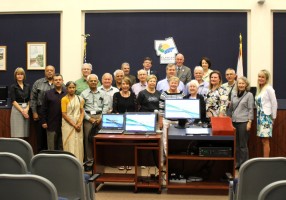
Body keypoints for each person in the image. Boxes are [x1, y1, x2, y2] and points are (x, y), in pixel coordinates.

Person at [80, 74, 109, 169]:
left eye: (95, 81)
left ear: (97, 82)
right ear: (88, 82)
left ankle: (101, 161)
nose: (93, 82)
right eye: (91, 81)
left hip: (100, 117)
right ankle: (89, 163)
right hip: (88, 118)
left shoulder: (103, 93)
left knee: (102, 139)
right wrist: (89, 118)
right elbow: (81, 109)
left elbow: (106, 106)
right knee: (88, 141)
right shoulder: (83, 94)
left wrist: (101, 118)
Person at [112, 76, 138, 170]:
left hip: (131, 123)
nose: (125, 86)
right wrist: (121, 118)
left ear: (129, 85)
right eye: (123, 84)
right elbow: (115, 109)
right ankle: (121, 162)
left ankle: (129, 162)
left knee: (130, 143)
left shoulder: (133, 95)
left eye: (127, 84)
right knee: (120, 144)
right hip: (119, 122)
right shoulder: (116, 95)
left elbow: (136, 109)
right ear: (121, 85)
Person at [228, 77, 254, 168]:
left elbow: (251, 109)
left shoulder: (249, 95)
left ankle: (244, 165)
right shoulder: (234, 94)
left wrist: (249, 122)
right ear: (237, 84)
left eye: (243, 83)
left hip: (244, 122)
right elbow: (230, 108)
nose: (241, 85)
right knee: (236, 145)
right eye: (239, 83)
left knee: (243, 145)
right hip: (234, 122)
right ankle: (237, 163)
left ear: (246, 85)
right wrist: (228, 120)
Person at [159, 76, 185, 163]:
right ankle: (168, 159)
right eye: (172, 83)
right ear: (169, 83)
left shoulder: (182, 94)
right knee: (165, 142)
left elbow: (184, 108)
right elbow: (161, 109)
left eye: (175, 83)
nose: (173, 84)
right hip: (167, 121)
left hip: (178, 121)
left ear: (178, 84)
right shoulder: (164, 94)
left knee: (177, 141)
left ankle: (176, 160)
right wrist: (160, 122)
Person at [30, 65, 55, 152]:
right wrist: (34, 112)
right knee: (41, 136)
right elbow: (33, 98)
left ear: (54, 72)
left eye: (51, 70)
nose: (49, 72)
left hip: (54, 113)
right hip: (40, 111)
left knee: (52, 135)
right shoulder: (38, 83)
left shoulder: (58, 82)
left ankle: (51, 154)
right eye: (47, 70)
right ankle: (40, 156)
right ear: (45, 72)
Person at [255, 69, 277, 157]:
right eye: (259, 76)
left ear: (266, 78)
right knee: (263, 140)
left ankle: (266, 161)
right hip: (260, 117)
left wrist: (273, 117)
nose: (260, 78)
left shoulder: (269, 88)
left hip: (266, 117)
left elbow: (274, 103)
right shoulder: (260, 89)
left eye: (262, 77)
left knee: (265, 140)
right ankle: (265, 160)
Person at [41, 73, 66, 150]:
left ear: (62, 81)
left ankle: (62, 160)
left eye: (59, 80)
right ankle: (51, 161)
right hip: (51, 124)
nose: (58, 81)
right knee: (51, 146)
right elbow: (43, 108)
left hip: (64, 124)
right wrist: (43, 121)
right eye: (56, 80)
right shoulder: (48, 93)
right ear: (53, 81)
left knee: (62, 145)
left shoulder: (67, 93)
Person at [61, 81, 85, 162]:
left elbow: (82, 112)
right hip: (68, 124)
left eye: (73, 87)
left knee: (78, 143)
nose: (72, 89)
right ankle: (69, 163)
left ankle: (79, 163)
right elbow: (64, 114)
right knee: (69, 143)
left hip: (78, 123)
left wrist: (80, 123)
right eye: (70, 88)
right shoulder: (64, 99)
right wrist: (74, 125)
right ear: (67, 89)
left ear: (75, 88)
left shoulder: (79, 99)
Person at [10, 67, 30, 138]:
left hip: (26, 109)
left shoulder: (27, 86)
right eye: (18, 74)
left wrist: (27, 109)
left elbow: (30, 99)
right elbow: (13, 101)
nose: (20, 76)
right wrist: (22, 111)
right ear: (15, 76)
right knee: (17, 133)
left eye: (21, 74)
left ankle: (24, 148)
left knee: (25, 132)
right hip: (17, 110)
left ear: (24, 76)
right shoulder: (13, 87)